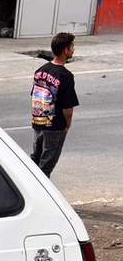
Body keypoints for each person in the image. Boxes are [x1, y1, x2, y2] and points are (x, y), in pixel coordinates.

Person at [29, 32, 79, 177]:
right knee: (46, 166)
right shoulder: (66, 76)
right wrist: (67, 124)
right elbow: (67, 108)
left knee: (35, 161)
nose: (73, 49)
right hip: (55, 127)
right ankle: (40, 196)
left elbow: (34, 95)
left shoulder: (40, 70)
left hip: (38, 122)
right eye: (72, 46)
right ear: (66, 50)